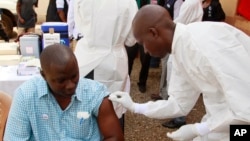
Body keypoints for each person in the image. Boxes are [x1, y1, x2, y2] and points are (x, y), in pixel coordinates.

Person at [109, 4, 250, 141]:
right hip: (222, 121)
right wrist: (136, 106)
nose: (145, 51)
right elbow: (179, 103)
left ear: (153, 33)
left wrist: (199, 129)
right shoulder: (178, 50)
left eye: (143, 43)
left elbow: (245, 109)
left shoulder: (205, 44)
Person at [4, 43, 124, 141]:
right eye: (61, 81)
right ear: (43, 75)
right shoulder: (25, 96)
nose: (71, 85)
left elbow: (115, 137)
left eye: (74, 76)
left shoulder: (95, 94)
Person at [73, 0, 138, 130]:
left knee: (84, 111)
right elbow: (131, 39)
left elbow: (79, 27)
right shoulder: (128, 2)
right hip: (114, 61)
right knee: (114, 110)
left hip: (86, 59)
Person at [152, 0, 204, 129]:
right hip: (186, 42)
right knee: (179, 80)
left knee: (180, 82)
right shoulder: (195, 3)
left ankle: (179, 118)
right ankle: (173, 109)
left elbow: (177, 24)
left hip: (182, 43)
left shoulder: (190, 3)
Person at [126, 0, 152, 93]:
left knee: (146, 59)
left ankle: (142, 83)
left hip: (145, 33)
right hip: (131, 33)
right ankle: (126, 83)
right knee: (128, 59)